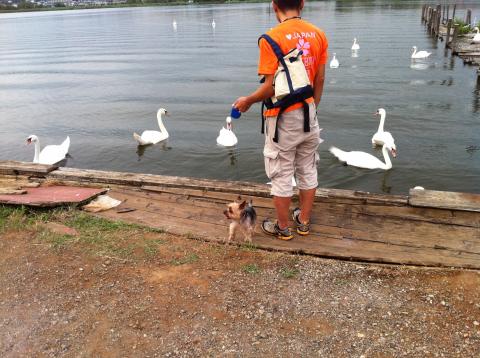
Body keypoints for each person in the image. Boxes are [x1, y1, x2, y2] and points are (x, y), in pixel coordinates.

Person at [233, 0, 328, 240]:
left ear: (274, 5)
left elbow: (270, 88)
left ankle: (283, 228)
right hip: (310, 113)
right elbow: (320, 80)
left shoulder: (270, 38)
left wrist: (247, 100)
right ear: (302, 4)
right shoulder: (318, 34)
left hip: (283, 119)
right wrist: (312, 107)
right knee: (308, 168)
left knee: (281, 173)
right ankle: (303, 222)